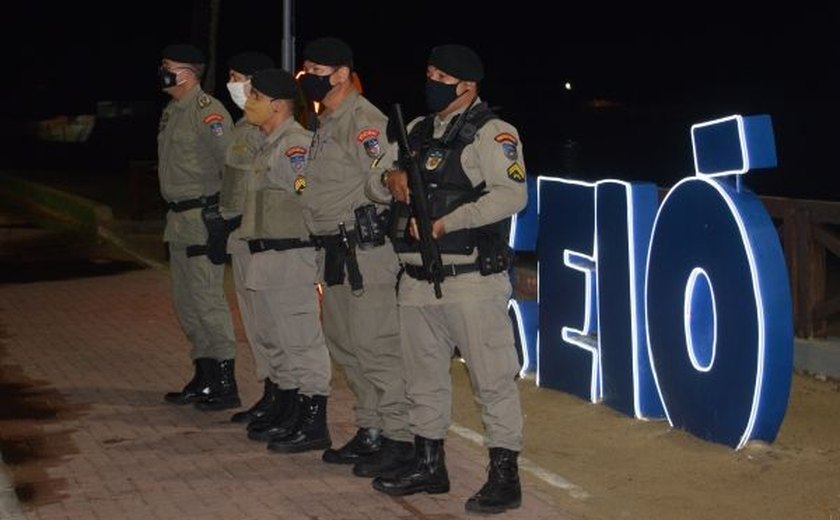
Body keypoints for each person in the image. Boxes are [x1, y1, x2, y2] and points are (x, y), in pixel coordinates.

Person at [366, 44, 528, 515]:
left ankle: (505, 477)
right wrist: (391, 180)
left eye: (441, 76)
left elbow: (511, 195)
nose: (430, 82)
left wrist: (446, 223)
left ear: (467, 86)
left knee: (492, 380)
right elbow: (372, 182)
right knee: (422, 380)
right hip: (415, 279)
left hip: (471, 278)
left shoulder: (493, 134)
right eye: (429, 72)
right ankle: (429, 464)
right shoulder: (415, 130)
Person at [296, 36, 413, 476]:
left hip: (364, 252)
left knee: (377, 349)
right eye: (305, 68)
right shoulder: (325, 122)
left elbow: (384, 174)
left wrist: (386, 180)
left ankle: (401, 438)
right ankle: (371, 429)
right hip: (335, 253)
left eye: (316, 69)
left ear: (342, 74)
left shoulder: (364, 120)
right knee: (345, 346)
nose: (308, 76)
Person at [222, 68, 334, 453]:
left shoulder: (294, 146)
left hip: (290, 256)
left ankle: (313, 421)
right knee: (277, 341)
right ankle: (289, 409)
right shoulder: (269, 144)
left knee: (302, 341)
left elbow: (308, 194)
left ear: (277, 105)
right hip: (266, 257)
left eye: (255, 98)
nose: (248, 104)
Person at [157, 43, 241, 411]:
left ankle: (225, 381)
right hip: (178, 220)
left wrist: (227, 218)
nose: (161, 71)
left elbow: (232, 165)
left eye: (168, 67)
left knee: (208, 302)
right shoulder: (173, 110)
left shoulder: (208, 112)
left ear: (189, 74)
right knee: (186, 304)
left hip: (203, 219)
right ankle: (204, 374)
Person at [212, 51, 283, 419]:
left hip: (263, 237)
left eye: (239, 77)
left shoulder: (270, 129)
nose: (233, 84)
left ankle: (284, 394)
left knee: (272, 322)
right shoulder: (243, 127)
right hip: (240, 235)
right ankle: (270, 391)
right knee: (255, 323)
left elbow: (291, 184)